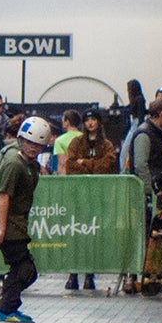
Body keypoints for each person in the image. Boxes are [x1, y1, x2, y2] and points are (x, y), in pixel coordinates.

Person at [0, 116, 52, 323]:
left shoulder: (31, 166)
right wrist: (1, 229)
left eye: (38, 145)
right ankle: (6, 309)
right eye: (29, 143)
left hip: (17, 224)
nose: (33, 148)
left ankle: (8, 306)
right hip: (7, 224)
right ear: (20, 140)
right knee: (24, 268)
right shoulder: (14, 165)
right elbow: (3, 196)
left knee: (26, 269)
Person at [61, 108, 117, 292]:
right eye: (87, 120)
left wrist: (84, 163)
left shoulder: (107, 144)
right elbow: (70, 165)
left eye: (94, 119)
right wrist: (92, 165)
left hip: (98, 198)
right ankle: (73, 274)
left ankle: (89, 275)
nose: (90, 123)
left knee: (94, 237)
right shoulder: (76, 143)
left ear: (99, 122)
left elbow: (107, 166)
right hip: (79, 197)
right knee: (77, 236)